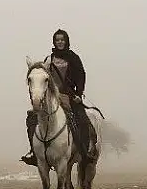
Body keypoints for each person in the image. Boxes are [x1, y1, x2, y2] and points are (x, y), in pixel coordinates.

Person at [21, 29, 97, 166]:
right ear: (54, 42)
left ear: (66, 41)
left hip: (70, 96)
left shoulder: (73, 58)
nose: (60, 42)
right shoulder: (48, 60)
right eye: (57, 40)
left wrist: (79, 94)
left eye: (62, 39)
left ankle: (84, 151)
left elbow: (81, 75)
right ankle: (34, 152)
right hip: (51, 98)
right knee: (31, 118)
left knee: (82, 119)